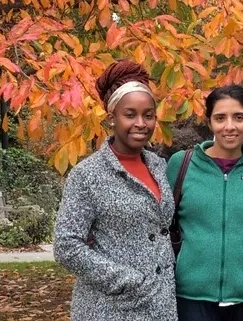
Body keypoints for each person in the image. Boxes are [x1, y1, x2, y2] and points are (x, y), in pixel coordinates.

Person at [53, 59, 177, 321]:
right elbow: (66, 246)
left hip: (160, 306)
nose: (141, 123)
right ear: (112, 118)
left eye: (149, 115)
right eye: (130, 114)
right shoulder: (87, 175)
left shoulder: (158, 166)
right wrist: (128, 281)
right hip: (110, 308)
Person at [166, 85, 243, 321]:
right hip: (192, 296)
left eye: (238, 117)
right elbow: (163, 223)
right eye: (220, 118)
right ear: (209, 122)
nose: (229, 126)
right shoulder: (181, 164)